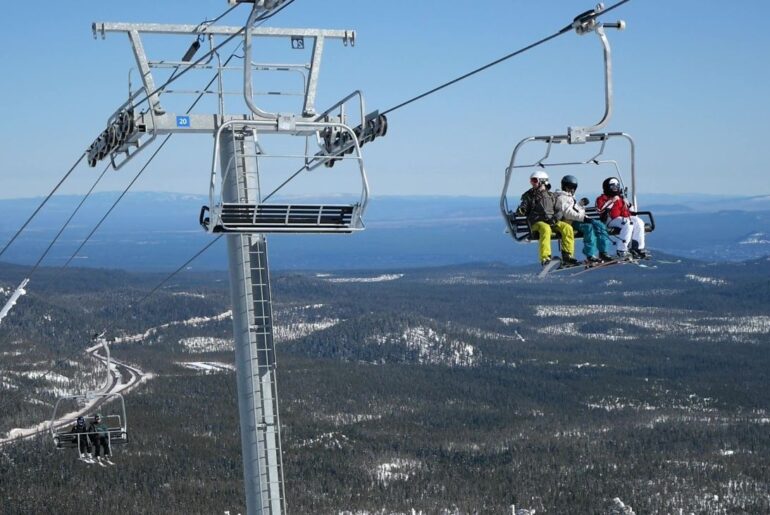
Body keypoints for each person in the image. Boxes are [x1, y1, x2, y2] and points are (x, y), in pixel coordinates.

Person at [516, 170, 580, 267]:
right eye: (531, 181)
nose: (532, 183)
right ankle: (545, 257)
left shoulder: (552, 195)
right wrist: (522, 210)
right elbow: (524, 206)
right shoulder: (529, 195)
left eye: (534, 180)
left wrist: (555, 219)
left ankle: (567, 255)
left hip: (552, 221)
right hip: (536, 222)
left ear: (542, 181)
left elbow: (559, 210)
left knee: (567, 228)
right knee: (545, 228)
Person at [555, 175, 616, 264]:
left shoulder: (570, 197)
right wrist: (584, 219)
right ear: (564, 186)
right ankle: (590, 254)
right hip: (568, 221)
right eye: (569, 187)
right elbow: (568, 212)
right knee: (589, 227)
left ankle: (603, 252)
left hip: (576, 219)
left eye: (573, 187)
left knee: (600, 225)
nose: (572, 189)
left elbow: (574, 209)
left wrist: (581, 204)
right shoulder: (561, 197)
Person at [595, 177, 648, 258]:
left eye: (617, 186)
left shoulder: (620, 197)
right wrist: (611, 201)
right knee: (628, 224)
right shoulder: (602, 198)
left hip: (623, 218)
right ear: (607, 187)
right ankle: (622, 250)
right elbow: (600, 210)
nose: (615, 188)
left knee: (639, 221)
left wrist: (628, 204)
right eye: (613, 186)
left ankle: (638, 248)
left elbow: (632, 210)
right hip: (610, 219)